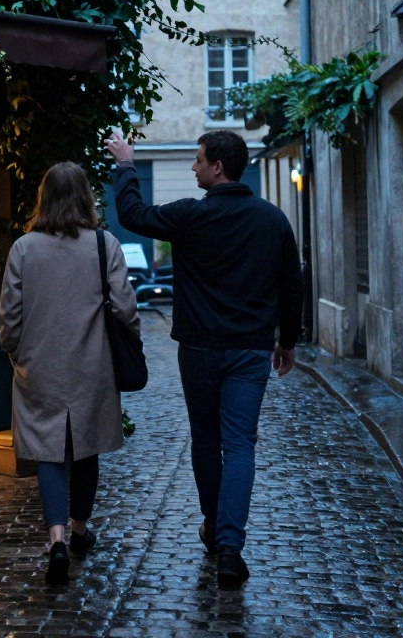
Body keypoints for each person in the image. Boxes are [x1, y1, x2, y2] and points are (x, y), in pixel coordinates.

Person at [106, 129, 302, 587]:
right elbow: (290, 285)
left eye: (197, 160)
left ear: (217, 167)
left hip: (198, 351)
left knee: (206, 442)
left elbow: (133, 215)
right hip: (251, 351)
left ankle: (216, 529)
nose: (193, 167)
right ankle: (230, 545)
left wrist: (127, 165)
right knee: (239, 444)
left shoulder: (190, 217)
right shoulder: (271, 219)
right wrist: (288, 340)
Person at [0, 161, 140, 585]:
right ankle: (79, 530)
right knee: (86, 448)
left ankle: (56, 539)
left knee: (48, 451)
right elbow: (126, 307)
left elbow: (9, 316)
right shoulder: (104, 244)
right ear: (85, 197)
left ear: (45, 197)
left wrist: (16, 352)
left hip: (38, 366)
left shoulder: (24, 247)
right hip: (91, 365)